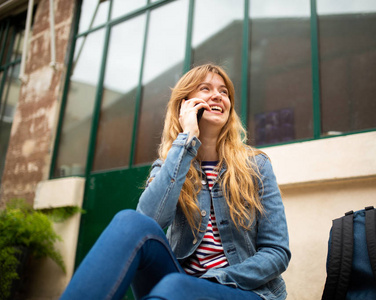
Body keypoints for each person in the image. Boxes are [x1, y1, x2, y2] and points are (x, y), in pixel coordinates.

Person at [60, 64, 291, 300]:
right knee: (129, 222)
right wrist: (187, 140)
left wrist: (213, 279)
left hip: (246, 291)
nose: (217, 96)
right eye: (205, 88)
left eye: (224, 92)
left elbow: (277, 252)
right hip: (177, 282)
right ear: (184, 104)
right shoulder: (169, 164)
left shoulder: (256, 166)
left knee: (175, 288)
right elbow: (149, 221)